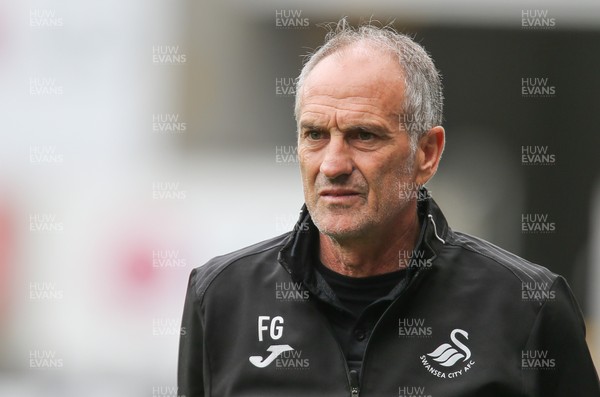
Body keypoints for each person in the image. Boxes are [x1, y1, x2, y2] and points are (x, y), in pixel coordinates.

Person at [178, 20, 600, 396]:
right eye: (315, 134)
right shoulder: (219, 298)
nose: (333, 164)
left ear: (427, 154)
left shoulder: (527, 306)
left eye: (364, 135)